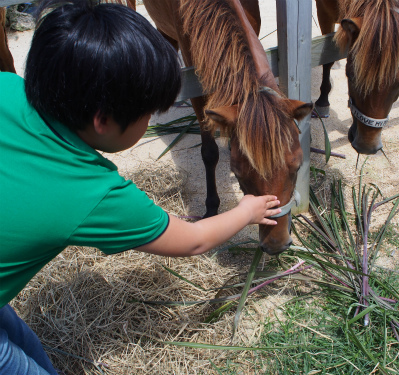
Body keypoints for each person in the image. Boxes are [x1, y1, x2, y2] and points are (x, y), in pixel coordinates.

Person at [0, 0, 282, 373]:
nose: (150, 120)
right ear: (103, 120)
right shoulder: (90, 191)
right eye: (148, 112)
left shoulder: (6, 87)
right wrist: (247, 209)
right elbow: (193, 240)